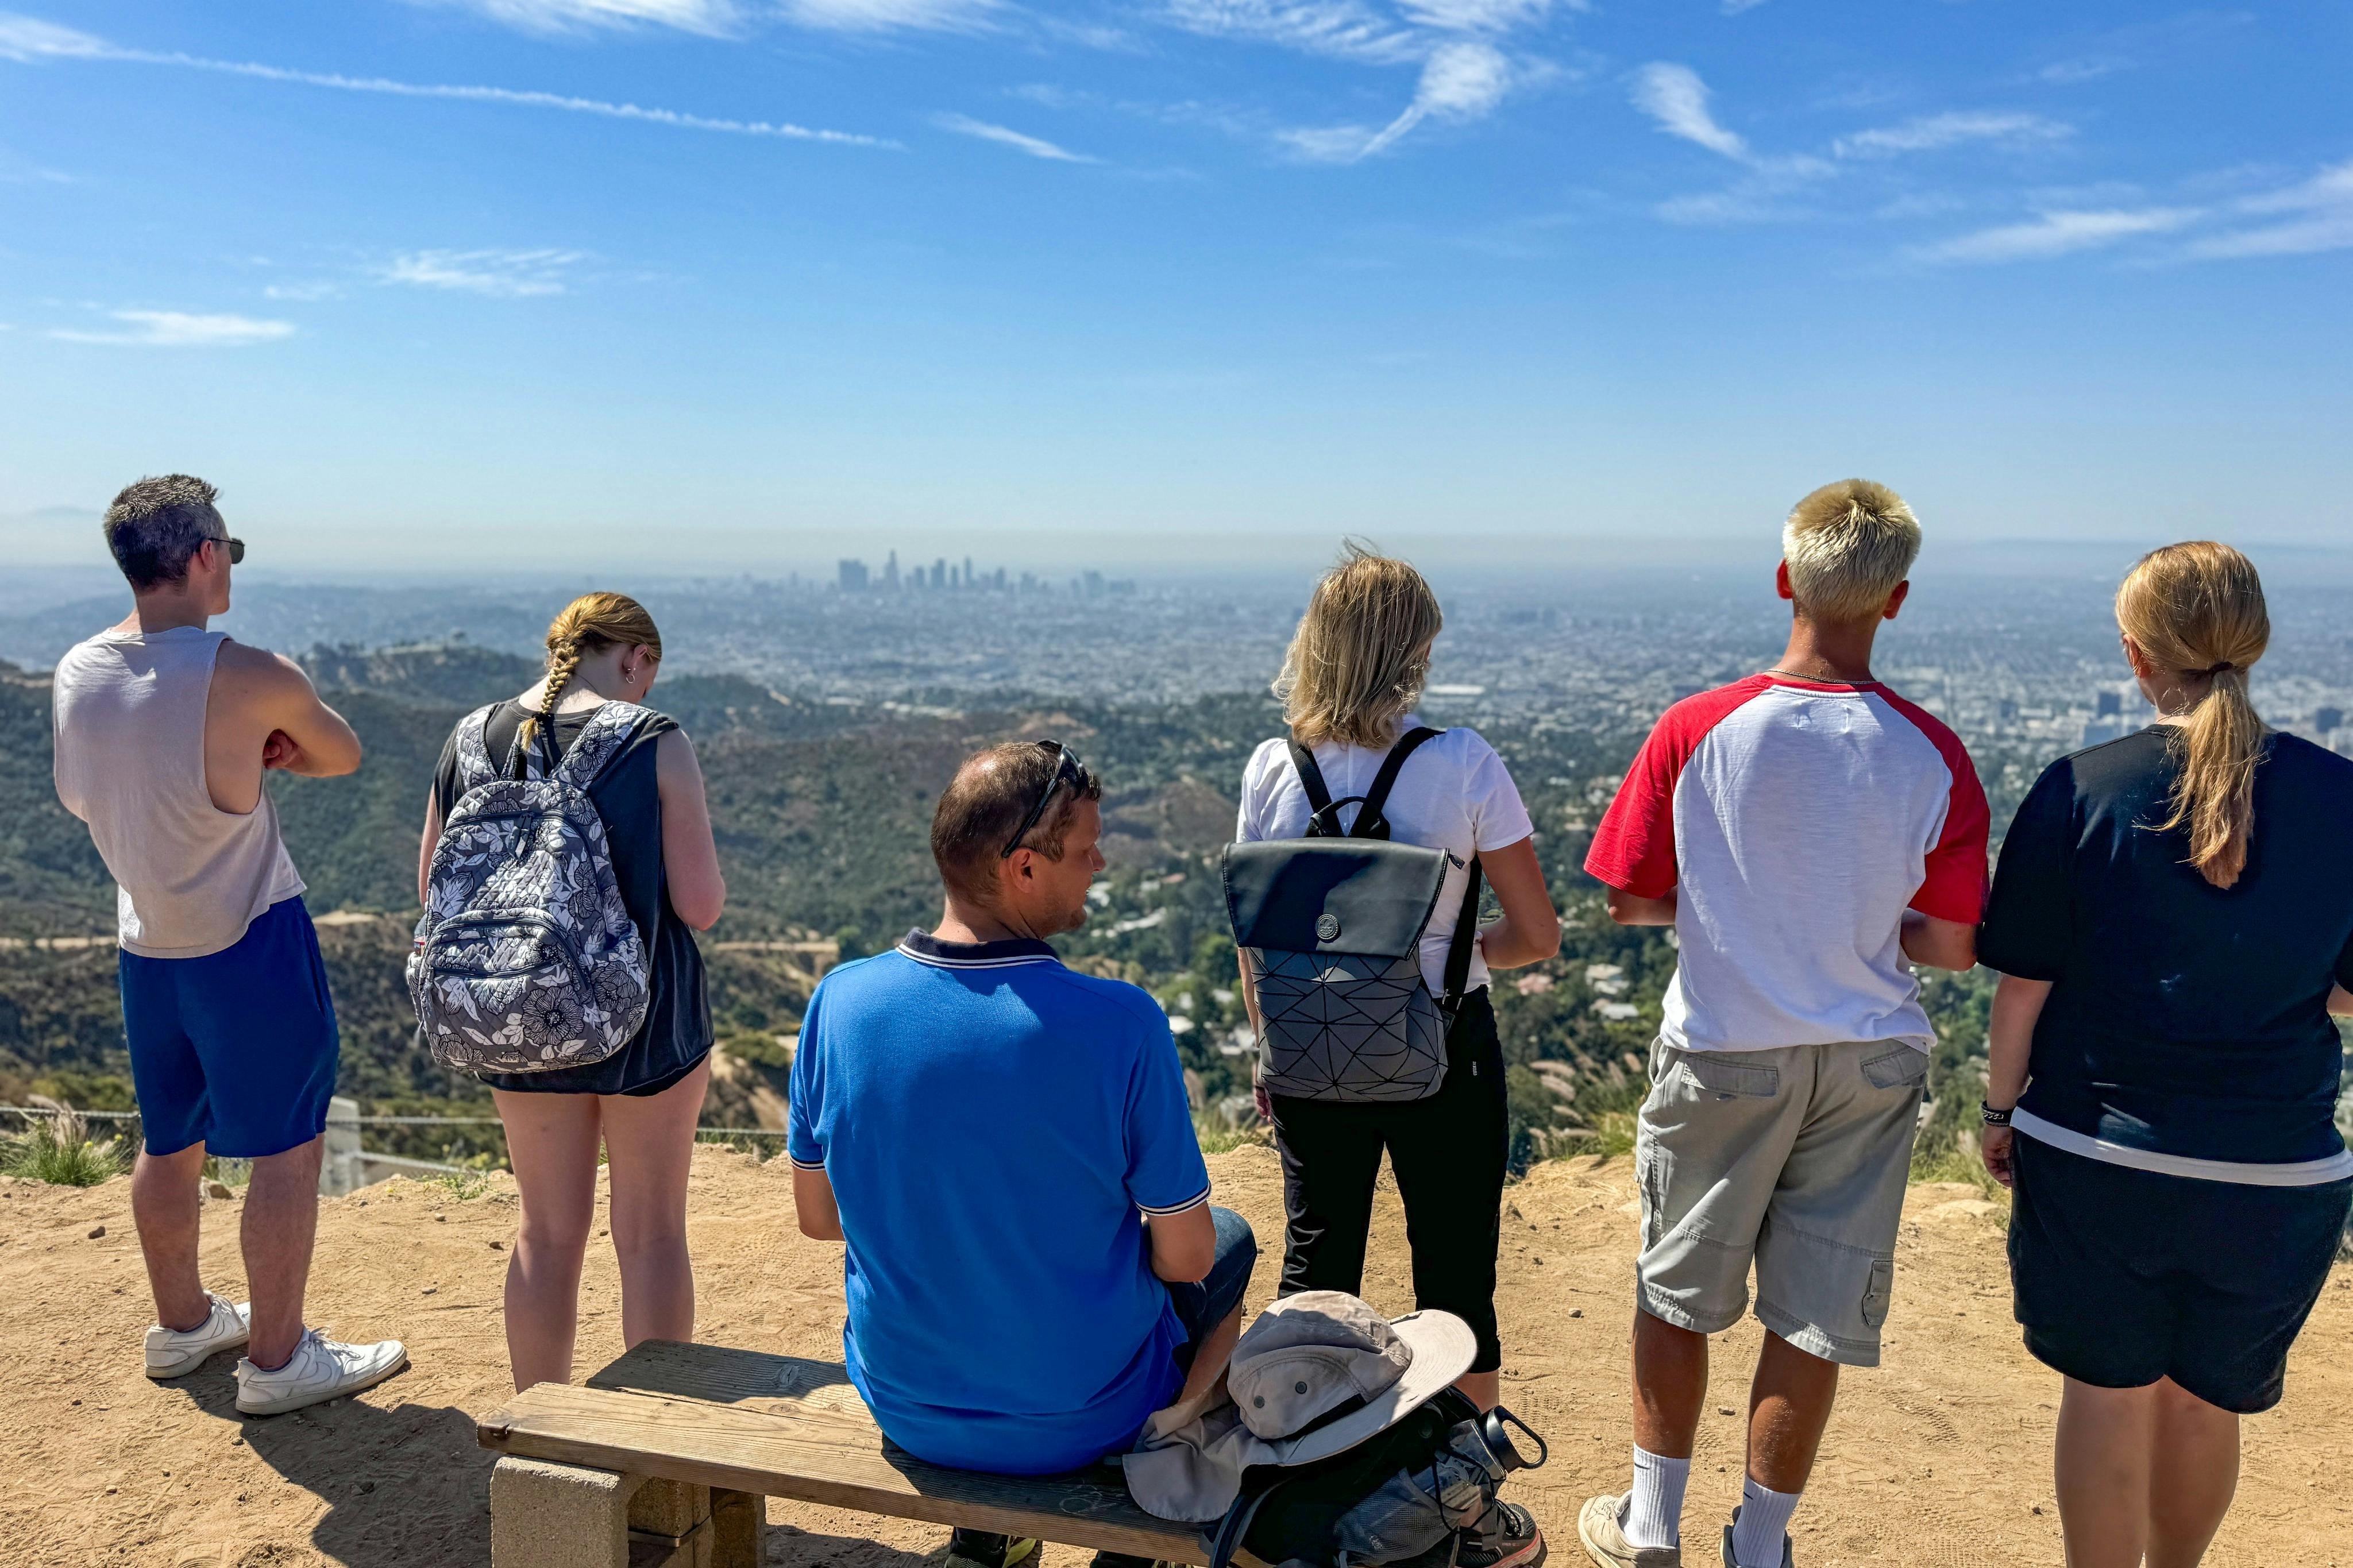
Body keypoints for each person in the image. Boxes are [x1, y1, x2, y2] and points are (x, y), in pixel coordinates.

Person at [1576, 480, 1988, 1568]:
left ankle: (1651, 1524)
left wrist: (1732, 908)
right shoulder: (1933, 752)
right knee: (1813, 1319)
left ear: (1783, 581)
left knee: (1677, 1290)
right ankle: (1759, 1547)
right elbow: (1949, 944)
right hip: (1871, 1056)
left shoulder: (1698, 728)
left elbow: (1625, 897)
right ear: (1894, 600)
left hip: (1725, 1045)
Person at [1977, 542, 2353, 1568]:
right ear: (2254, 644)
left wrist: (2000, 1112)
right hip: (2279, 1168)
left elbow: (2023, 986)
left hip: (2101, 1152)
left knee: (2105, 1394)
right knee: (2205, 1401)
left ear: (2137, 655)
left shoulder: (2079, 787)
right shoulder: (2343, 795)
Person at [789, 741, 1254, 1568]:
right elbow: (1184, 1258)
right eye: (1085, 849)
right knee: (1229, 1242)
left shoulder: (839, 1003)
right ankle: (1142, 1539)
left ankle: (991, 1533)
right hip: (1085, 1413)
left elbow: (821, 1221)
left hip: (908, 1403)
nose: (1101, 862)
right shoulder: (1120, 1023)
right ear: (1025, 868)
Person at [51, 474, 407, 1416]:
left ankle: (182, 1325)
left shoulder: (78, 671)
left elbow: (81, 798)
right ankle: (281, 1360)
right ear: (205, 554)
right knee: (287, 1151)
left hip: (147, 942)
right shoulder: (249, 674)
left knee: (170, 1142)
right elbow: (342, 754)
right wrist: (267, 748)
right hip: (248, 938)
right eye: (231, 551)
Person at [1235, 545, 1562, 1419]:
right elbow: (1538, 934)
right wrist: (1447, 964)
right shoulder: (1462, 762)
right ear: (1412, 654)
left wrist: (1269, 1049)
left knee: (1315, 1270)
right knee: (1456, 1279)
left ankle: (1291, 1482)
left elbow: (1255, 941)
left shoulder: (1273, 768)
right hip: (1444, 1050)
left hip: (1305, 1046)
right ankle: (1459, 1497)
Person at [416, 592, 726, 1392]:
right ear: (636, 659)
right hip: (647, 1024)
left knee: (547, 1233)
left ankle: (540, 1431)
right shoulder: (656, 741)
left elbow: (430, 890)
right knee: (651, 1236)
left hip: (512, 1013)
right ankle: (656, 1449)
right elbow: (699, 905)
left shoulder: (466, 741)